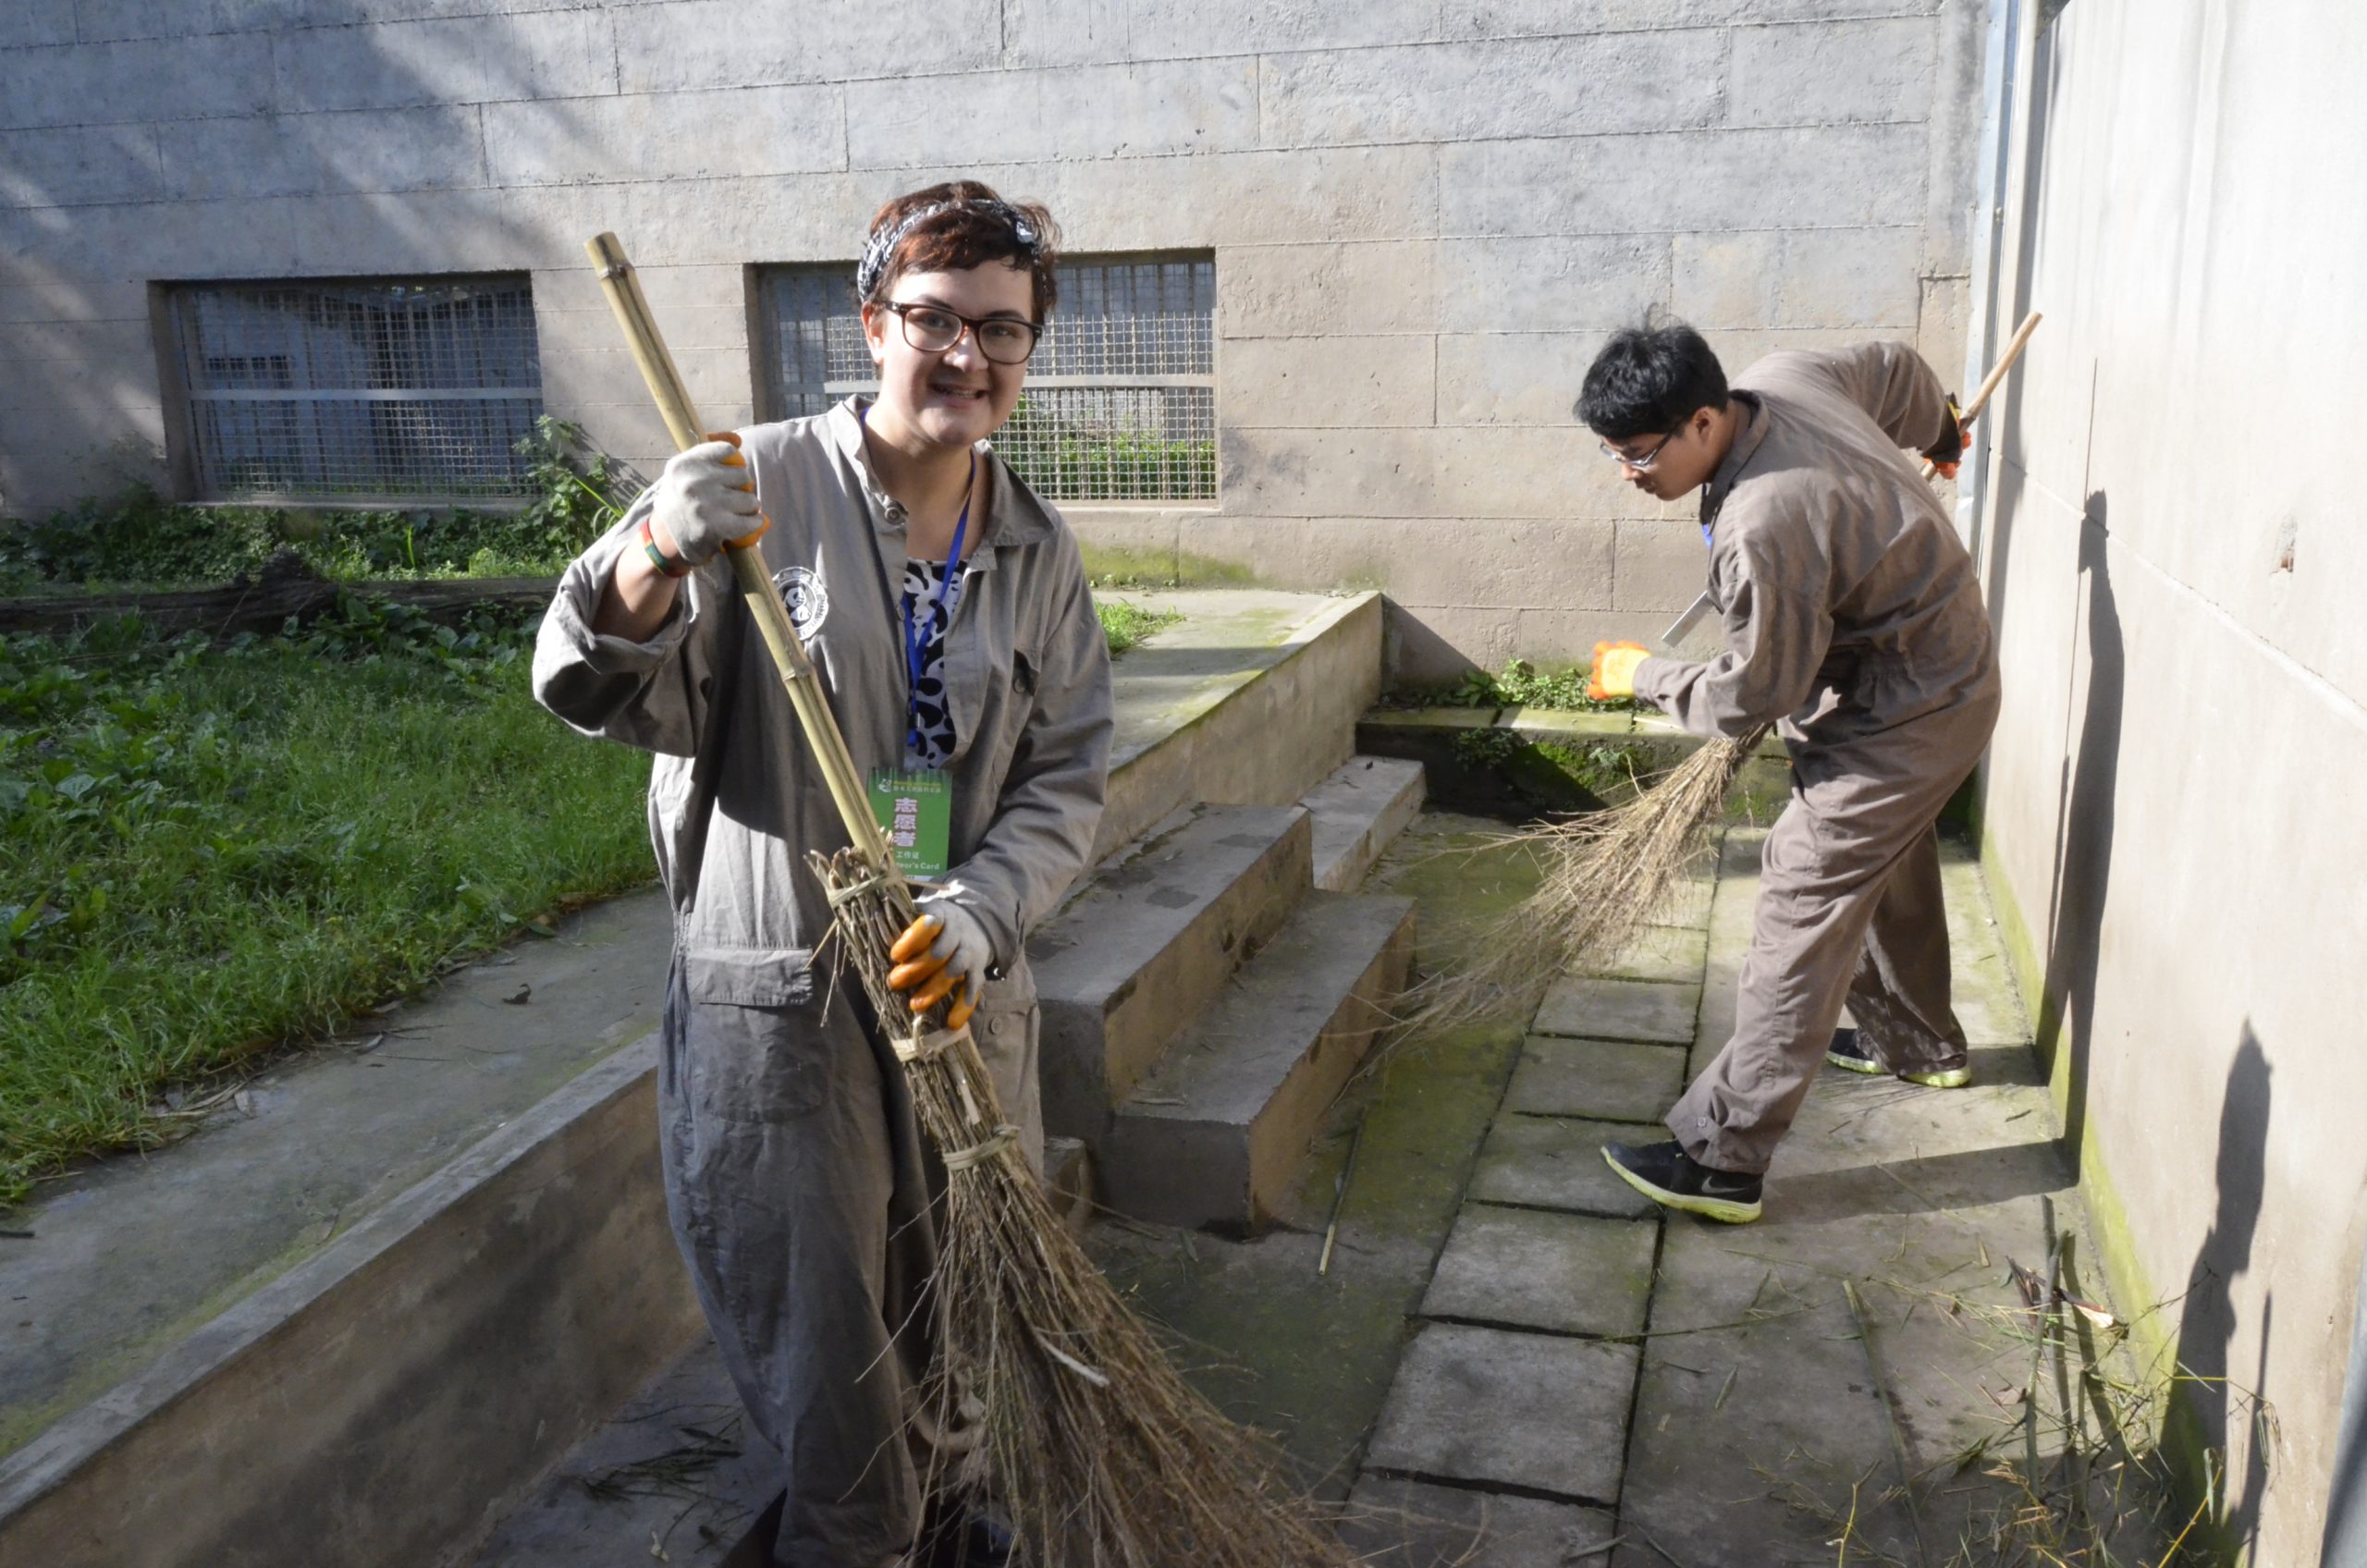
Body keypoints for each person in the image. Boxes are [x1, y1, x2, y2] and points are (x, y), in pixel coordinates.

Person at [533, 182, 1114, 1567]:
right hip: (785, 1009)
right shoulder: (753, 486)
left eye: (1003, 330)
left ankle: (928, 1528)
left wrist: (981, 910)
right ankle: (853, 1545)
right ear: (871, 322)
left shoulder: (1034, 548)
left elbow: (1066, 777)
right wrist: (652, 555)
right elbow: (584, 680)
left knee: (963, 1319)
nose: (967, 356)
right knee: (835, 1358)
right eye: (933, 320)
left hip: (954, 1002)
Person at [1578, 322, 1997, 1226]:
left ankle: (1723, 1158)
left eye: (1639, 454)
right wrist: (1942, 433)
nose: (1629, 474)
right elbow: (1893, 368)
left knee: (1800, 903)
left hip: (1905, 710)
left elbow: (1754, 691)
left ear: (1699, 422)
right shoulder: (1784, 377)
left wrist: (1636, 674)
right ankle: (1920, 1041)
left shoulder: (1762, 522)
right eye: (1614, 455)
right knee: (1888, 861)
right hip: (1935, 670)